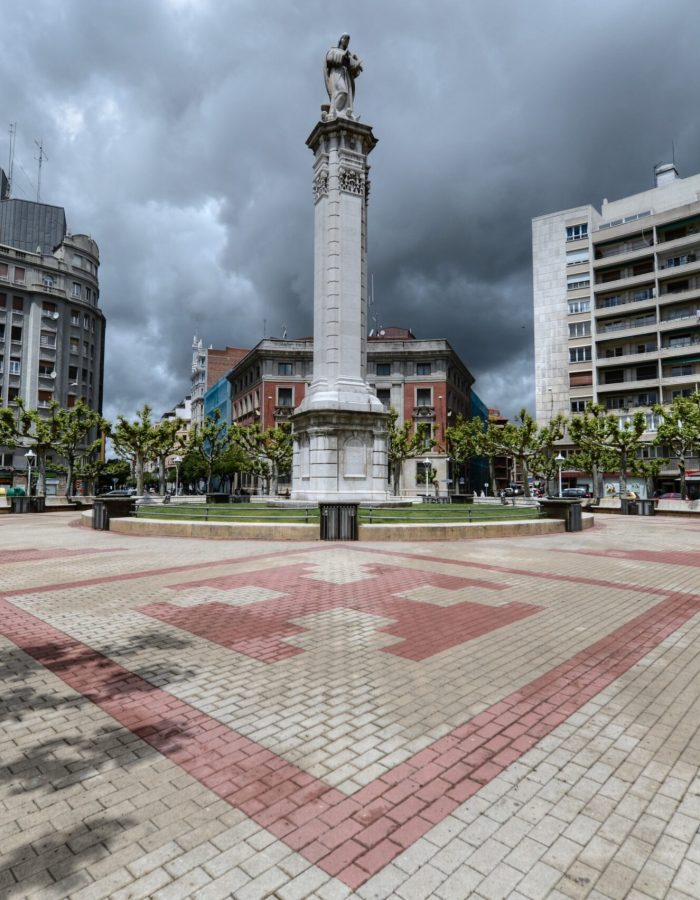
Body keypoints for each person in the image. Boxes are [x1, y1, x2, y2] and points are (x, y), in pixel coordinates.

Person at [324, 34, 363, 118]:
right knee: (342, 91)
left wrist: (357, 65)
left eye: (348, 39)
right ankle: (333, 112)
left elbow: (352, 69)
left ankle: (345, 112)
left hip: (346, 75)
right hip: (337, 72)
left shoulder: (349, 55)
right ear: (340, 40)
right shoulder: (333, 50)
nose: (346, 40)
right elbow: (329, 58)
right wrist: (342, 56)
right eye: (345, 38)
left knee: (347, 95)